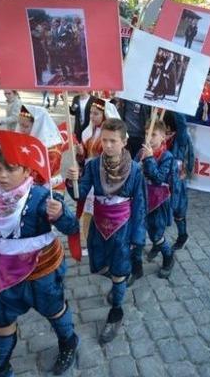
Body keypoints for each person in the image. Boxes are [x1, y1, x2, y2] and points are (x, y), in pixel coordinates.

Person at [0, 149, 79, 377]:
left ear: (26, 171)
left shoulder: (43, 198)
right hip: (5, 273)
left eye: (10, 169)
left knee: (54, 310)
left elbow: (72, 228)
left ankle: (68, 341)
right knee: (1, 318)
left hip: (41, 274)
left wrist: (60, 215)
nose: (2, 176)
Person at [66, 118, 145, 344]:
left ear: (124, 142)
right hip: (99, 226)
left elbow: (140, 204)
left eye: (113, 141)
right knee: (99, 265)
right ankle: (120, 278)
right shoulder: (93, 165)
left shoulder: (136, 170)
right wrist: (73, 180)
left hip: (123, 227)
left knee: (119, 270)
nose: (108, 145)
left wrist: (137, 238)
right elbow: (79, 194)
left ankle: (116, 311)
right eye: (105, 140)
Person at [132, 120, 175, 281]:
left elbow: (158, 178)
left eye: (153, 134)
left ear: (163, 137)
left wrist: (149, 159)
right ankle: (135, 269)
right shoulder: (142, 151)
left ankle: (168, 257)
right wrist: (138, 163)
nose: (148, 137)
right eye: (146, 134)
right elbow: (133, 170)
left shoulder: (167, 156)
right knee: (137, 234)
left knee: (157, 235)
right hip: (141, 199)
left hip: (158, 202)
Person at [164, 111, 194, 250]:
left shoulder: (180, 139)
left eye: (165, 125)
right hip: (163, 181)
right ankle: (158, 239)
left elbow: (182, 124)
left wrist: (175, 106)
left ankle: (183, 235)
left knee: (179, 211)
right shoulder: (161, 137)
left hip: (177, 183)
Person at [16, 105, 64, 190]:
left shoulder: (52, 148)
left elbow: (43, 176)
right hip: (27, 185)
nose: (21, 129)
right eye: (20, 125)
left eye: (26, 126)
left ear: (38, 126)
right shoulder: (27, 138)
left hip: (49, 191)